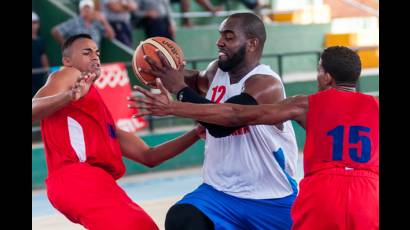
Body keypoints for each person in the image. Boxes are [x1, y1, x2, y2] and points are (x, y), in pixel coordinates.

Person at [132, 46, 379, 229]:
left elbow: (235, 114)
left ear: (326, 77)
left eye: (318, 70)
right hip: (369, 193)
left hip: (322, 191)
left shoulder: (306, 103)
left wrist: (174, 106)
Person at [131, 12, 299, 230]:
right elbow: (188, 79)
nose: (220, 42)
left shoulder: (266, 84)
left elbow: (225, 123)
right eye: (220, 36)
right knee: (182, 218)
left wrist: (177, 95)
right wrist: (161, 70)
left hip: (271, 196)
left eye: (228, 37)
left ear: (252, 44)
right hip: (219, 194)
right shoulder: (215, 72)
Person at [32, 33, 205, 230]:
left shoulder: (98, 119)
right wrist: (67, 96)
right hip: (76, 178)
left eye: (97, 53)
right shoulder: (69, 74)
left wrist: (195, 133)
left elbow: (149, 156)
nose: (95, 57)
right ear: (67, 60)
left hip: (93, 183)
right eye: (86, 53)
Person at [32, 11, 50, 98]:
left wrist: (47, 71)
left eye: (34, 23)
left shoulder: (40, 41)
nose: (33, 25)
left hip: (39, 76)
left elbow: (43, 56)